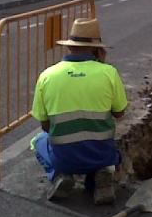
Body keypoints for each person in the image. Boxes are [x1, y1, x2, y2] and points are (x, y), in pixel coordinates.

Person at [30, 17, 127, 204]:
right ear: (97, 48)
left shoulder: (47, 76)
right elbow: (119, 113)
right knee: (105, 150)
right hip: (101, 155)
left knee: (39, 141)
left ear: (69, 46)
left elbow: (45, 125)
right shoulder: (108, 73)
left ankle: (61, 175)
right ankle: (99, 179)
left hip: (65, 157)